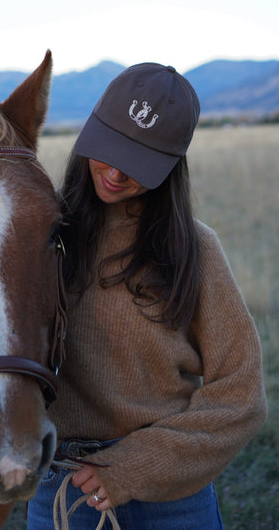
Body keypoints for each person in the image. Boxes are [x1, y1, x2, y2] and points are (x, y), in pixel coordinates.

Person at [27, 62, 267, 529]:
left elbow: (242, 394)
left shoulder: (195, 250)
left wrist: (138, 465)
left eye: (137, 163)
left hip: (174, 499)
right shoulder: (43, 237)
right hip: (64, 491)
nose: (115, 173)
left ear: (170, 165)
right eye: (109, 149)